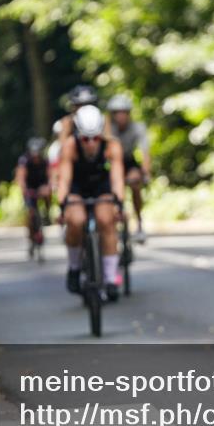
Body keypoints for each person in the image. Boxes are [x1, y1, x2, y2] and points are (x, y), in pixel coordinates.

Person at [56, 105, 125, 300]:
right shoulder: (70, 146)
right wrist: (62, 206)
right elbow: (65, 180)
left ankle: (111, 278)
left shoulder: (112, 146)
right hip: (78, 186)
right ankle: (74, 268)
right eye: (86, 139)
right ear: (79, 135)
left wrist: (118, 203)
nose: (91, 144)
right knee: (76, 221)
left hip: (101, 187)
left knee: (106, 220)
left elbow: (117, 179)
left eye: (95, 138)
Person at [106, 94, 151, 243]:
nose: (120, 116)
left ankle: (139, 222)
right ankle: (113, 221)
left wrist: (145, 173)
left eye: (123, 112)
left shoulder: (137, 127)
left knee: (135, 182)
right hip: (111, 162)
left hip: (128, 161)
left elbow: (145, 153)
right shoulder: (107, 128)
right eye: (116, 113)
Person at [16, 137, 51, 255]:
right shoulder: (24, 161)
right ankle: (31, 238)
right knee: (30, 213)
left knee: (47, 193)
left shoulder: (45, 161)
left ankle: (47, 213)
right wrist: (24, 189)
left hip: (41, 185)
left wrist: (48, 187)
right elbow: (21, 177)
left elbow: (50, 176)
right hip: (29, 187)